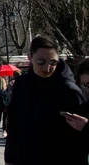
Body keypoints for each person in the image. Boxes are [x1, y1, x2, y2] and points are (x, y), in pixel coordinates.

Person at [5, 36, 86, 165]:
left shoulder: (69, 90)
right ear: (30, 57)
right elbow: (14, 125)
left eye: (53, 62)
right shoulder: (21, 85)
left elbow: (82, 135)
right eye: (41, 61)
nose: (47, 67)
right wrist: (9, 158)